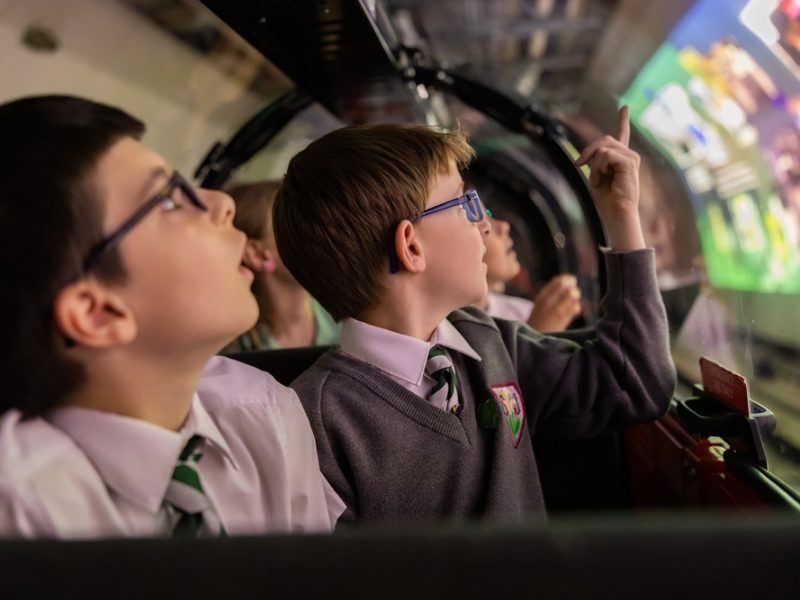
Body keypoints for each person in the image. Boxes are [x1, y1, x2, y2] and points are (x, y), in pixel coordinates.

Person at [272, 107, 676, 524]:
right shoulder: (317, 424)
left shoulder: (486, 341)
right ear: (411, 247)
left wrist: (622, 217)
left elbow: (633, 381)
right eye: (465, 203)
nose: (484, 224)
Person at [0, 95, 343, 538]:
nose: (222, 203)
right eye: (168, 200)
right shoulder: (22, 517)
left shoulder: (267, 415)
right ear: (99, 312)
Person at [222, 180, 340, 352]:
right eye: (299, 223)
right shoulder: (233, 352)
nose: (326, 232)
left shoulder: (350, 317)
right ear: (257, 254)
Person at [475, 212, 581, 331]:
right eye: (474, 218)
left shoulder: (525, 311)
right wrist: (539, 335)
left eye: (488, 214)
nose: (504, 226)